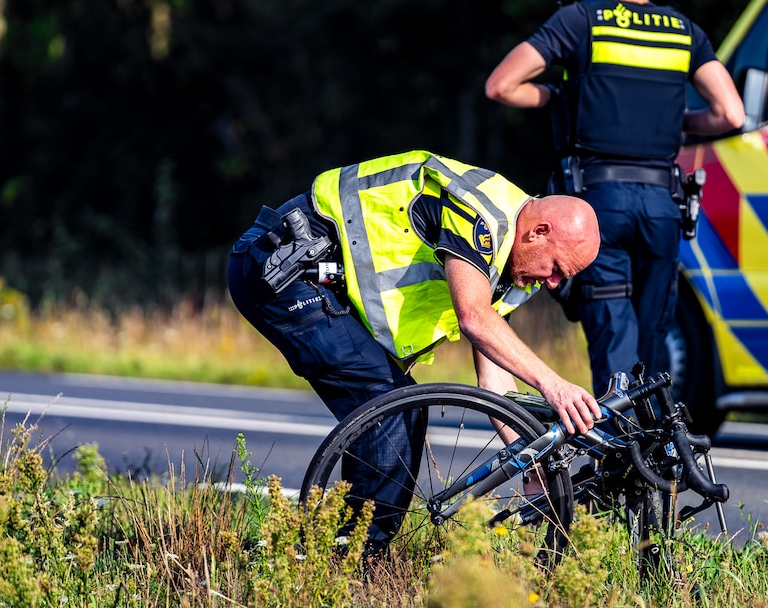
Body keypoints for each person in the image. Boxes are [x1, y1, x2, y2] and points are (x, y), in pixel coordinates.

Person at [227, 150, 601, 552]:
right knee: (391, 408)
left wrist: (529, 459)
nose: (553, 284)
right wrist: (553, 385)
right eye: (557, 268)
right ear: (539, 231)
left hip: (313, 277)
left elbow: (495, 382)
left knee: (395, 407)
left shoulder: (507, 262)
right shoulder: (481, 216)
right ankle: (350, 555)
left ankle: (314, 550)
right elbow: (474, 317)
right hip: (281, 266)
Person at [485, 0, 744, 394]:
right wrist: (671, 121)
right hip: (662, 207)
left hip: (599, 208)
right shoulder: (684, 31)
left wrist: (559, 98)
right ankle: (651, 435)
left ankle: (620, 436)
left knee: (615, 347)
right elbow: (731, 114)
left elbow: (501, 85)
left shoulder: (581, 19)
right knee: (652, 348)